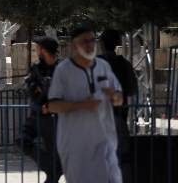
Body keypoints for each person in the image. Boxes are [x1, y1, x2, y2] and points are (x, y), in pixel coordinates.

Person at [47, 25, 123, 183]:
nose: (90, 45)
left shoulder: (103, 67)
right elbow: (53, 105)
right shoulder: (63, 70)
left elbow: (119, 98)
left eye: (92, 41)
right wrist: (82, 105)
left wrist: (115, 97)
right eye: (84, 41)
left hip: (104, 141)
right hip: (76, 146)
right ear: (74, 45)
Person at [98, 29, 138, 182]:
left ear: (102, 44)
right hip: (119, 116)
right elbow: (132, 89)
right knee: (122, 158)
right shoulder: (124, 64)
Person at [23, 36, 63, 183]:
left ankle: (55, 169)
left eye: (38, 48)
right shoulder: (36, 67)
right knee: (22, 141)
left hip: (54, 118)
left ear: (44, 50)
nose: (36, 50)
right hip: (37, 114)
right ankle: (54, 167)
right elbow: (29, 88)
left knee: (54, 154)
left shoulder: (62, 68)